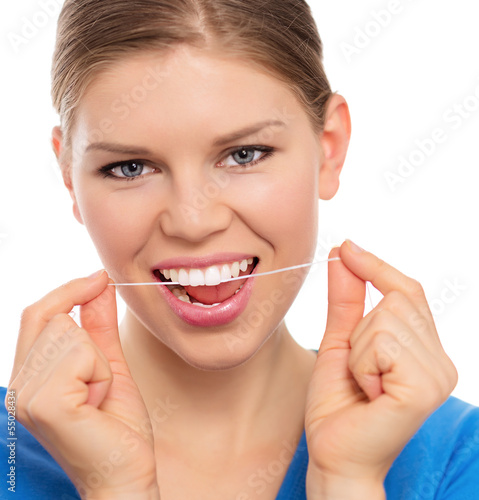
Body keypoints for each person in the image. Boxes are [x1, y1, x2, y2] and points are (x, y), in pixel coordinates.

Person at [1, 0, 478, 499]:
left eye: (243, 155)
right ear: (68, 178)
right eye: (130, 167)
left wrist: (347, 481)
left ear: (329, 147)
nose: (194, 220)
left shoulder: (455, 458)